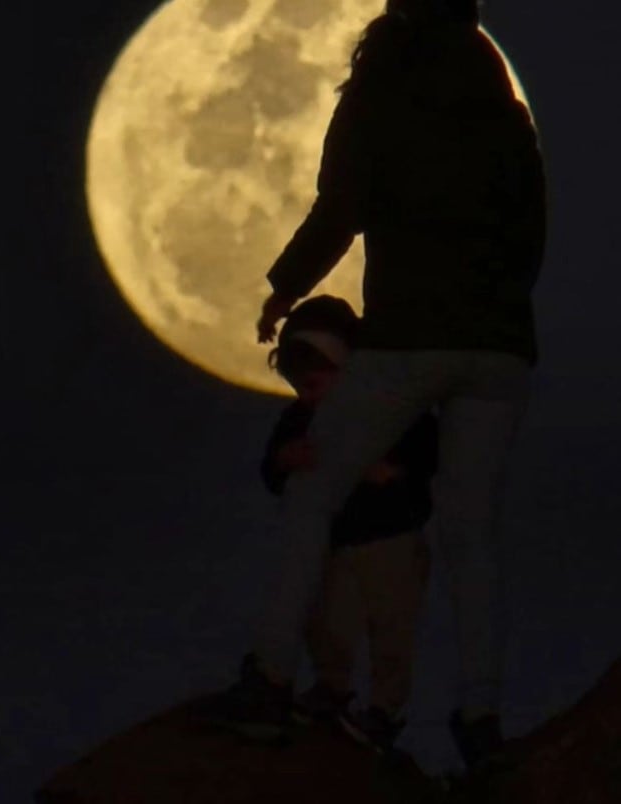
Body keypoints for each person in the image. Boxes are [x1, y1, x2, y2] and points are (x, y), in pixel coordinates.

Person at [210, 0, 547, 771]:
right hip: (500, 349)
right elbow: (533, 232)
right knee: (470, 537)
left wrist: (282, 290)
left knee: (314, 489)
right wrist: (495, 308)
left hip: (407, 339)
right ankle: (480, 714)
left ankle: (268, 679)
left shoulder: (378, 95)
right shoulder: (505, 113)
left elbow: (341, 210)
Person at [260, 295, 437, 754]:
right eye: (297, 377)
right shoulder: (299, 419)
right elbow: (273, 470)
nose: (306, 386)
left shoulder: (389, 407)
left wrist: (391, 469)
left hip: (392, 539)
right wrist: (286, 460)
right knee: (327, 622)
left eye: (317, 372)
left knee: (392, 629)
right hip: (337, 543)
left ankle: (385, 711)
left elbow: (426, 449)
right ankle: (331, 690)